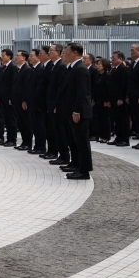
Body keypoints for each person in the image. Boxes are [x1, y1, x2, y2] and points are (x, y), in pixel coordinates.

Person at [58, 42, 93, 180]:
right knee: (74, 141)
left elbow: (82, 93)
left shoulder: (80, 69)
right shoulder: (72, 68)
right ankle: (76, 164)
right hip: (71, 111)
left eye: (66, 51)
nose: (64, 54)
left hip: (79, 113)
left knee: (82, 142)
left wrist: (77, 111)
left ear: (74, 53)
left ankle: (84, 171)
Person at [46, 45, 68, 164]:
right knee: (54, 130)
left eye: (51, 51)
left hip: (56, 105)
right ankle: (59, 154)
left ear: (58, 52)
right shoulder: (54, 65)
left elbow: (60, 88)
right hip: (51, 104)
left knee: (60, 131)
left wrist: (56, 105)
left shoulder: (61, 66)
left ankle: (64, 155)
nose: (49, 52)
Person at [27, 49, 47, 154]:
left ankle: (41, 147)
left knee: (40, 126)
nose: (30, 58)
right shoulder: (34, 69)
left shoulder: (40, 68)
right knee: (35, 126)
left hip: (37, 103)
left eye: (32, 56)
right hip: (32, 103)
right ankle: (37, 146)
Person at [107, 51, 130, 146]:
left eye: (114, 58)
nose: (112, 60)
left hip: (120, 99)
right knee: (117, 119)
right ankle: (119, 137)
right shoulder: (114, 69)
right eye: (111, 58)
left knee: (123, 120)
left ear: (120, 59)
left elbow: (124, 85)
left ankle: (124, 139)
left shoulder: (123, 69)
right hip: (113, 99)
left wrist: (121, 98)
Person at [12, 51, 32, 150]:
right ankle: (24, 142)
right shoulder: (18, 69)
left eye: (18, 56)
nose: (16, 57)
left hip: (22, 101)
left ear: (24, 58)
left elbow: (26, 86)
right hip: (16, 100)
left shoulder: (27, 69)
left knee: (25, 123)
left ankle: (27, 143)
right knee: (20, 122)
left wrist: (25, 100)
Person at [0, 49, 18, 146]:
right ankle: (8, 138)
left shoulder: (13, 67)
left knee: (11, 119)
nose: (2, 57)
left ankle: (12, 139)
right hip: (4, 98)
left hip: (9, 98)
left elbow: (13, 84)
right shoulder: (4, 67)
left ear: (9, 56)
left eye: (3, 55)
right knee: (6, 119)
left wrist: (11, 97)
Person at [93, 57, 112, 143]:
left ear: (104, 65)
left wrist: (107, 100)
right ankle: (101, 135)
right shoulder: (99, 75)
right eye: (97, 64)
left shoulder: (107, 75)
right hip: (98, 100)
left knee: (105, 119)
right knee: (99, 118)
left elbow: (108, 89)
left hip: (104, 100)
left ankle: (106, 136)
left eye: (99, 64)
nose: (97, 66)